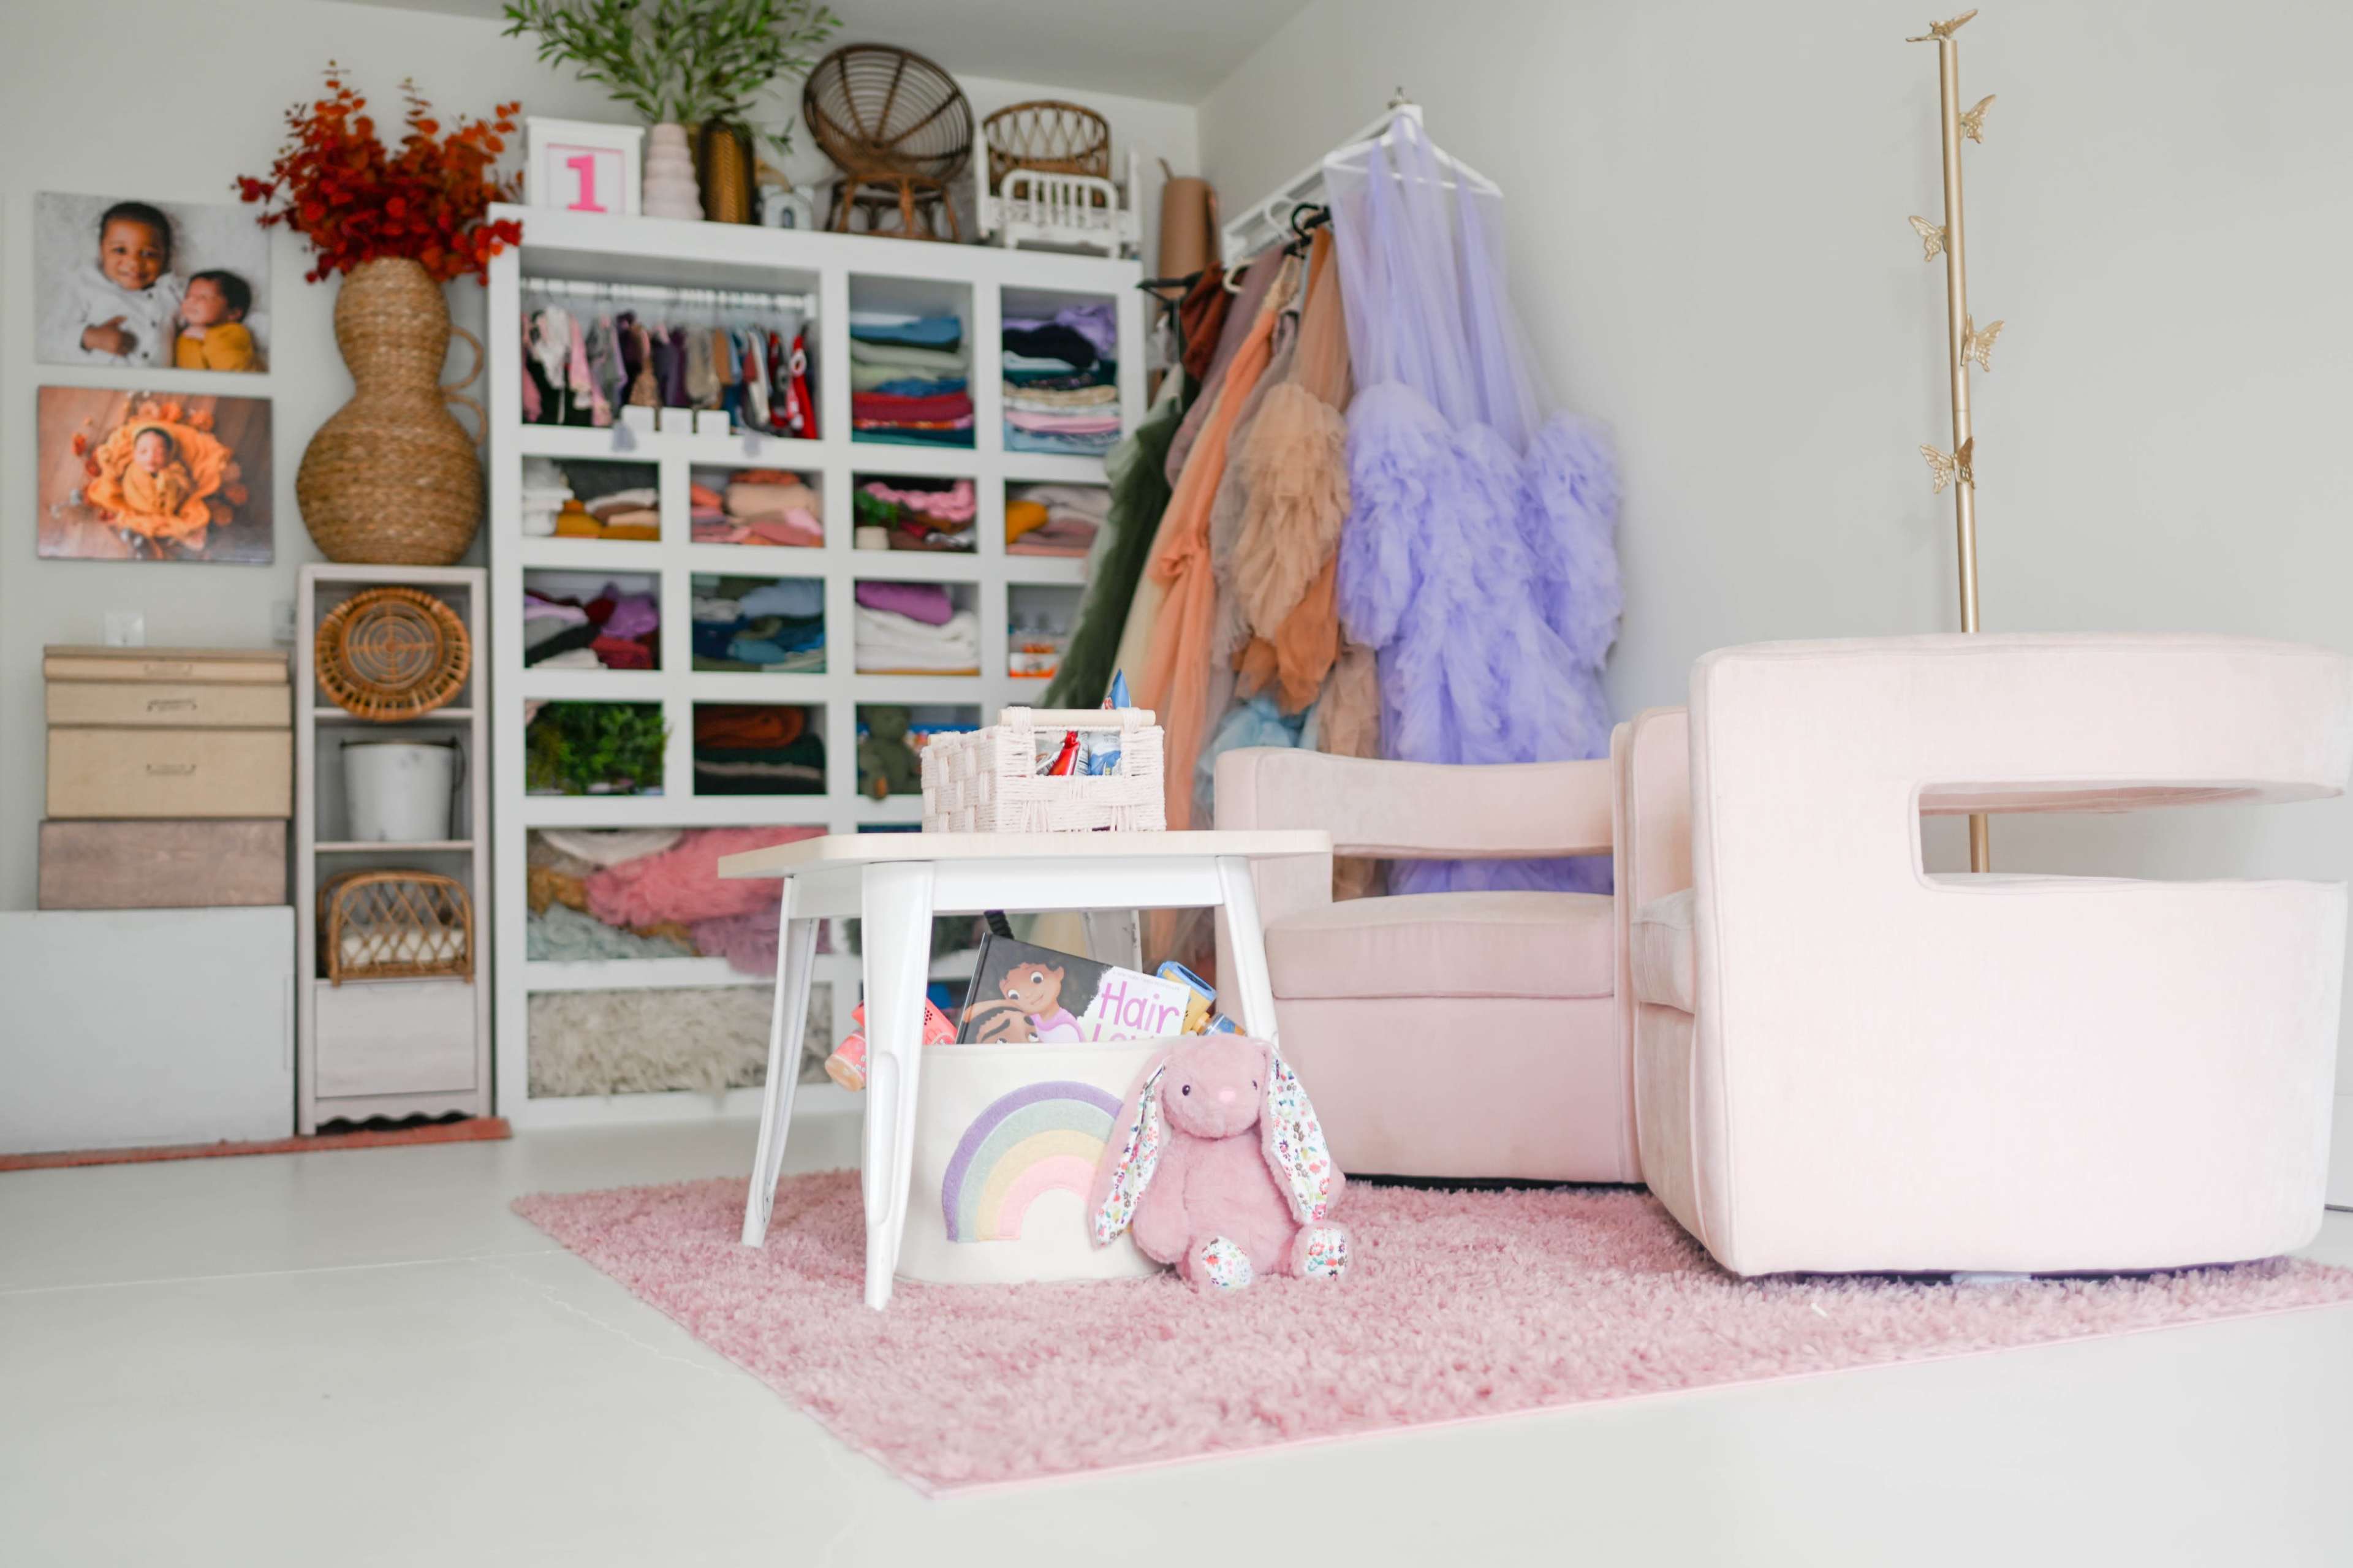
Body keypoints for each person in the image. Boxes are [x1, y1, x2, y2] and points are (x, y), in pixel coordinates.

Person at [69, 201, 180, 366]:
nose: (134, 263)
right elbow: (54, 333)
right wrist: (90, 337)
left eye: (148, 254)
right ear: (101, 250)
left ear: (166, 257)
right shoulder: (88, 285)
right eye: (120, 250)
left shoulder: (173, 291)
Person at [175, 270, 256, 371]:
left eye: (203, 297)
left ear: (233, 313)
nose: (192, 300)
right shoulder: (184, 334)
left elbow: (233, 368)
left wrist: (206, 335)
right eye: (188, 296)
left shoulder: (236, 332)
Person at [119, 426, 195, 517]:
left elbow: (186, 490)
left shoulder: (176, 472)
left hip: (171, 515)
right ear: (134, 454)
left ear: (169, 455)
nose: (151, 457)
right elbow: (130, 494)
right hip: (139, 514)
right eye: (143, 452)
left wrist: (170, 482)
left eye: (160, 453)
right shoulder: (132, 474)